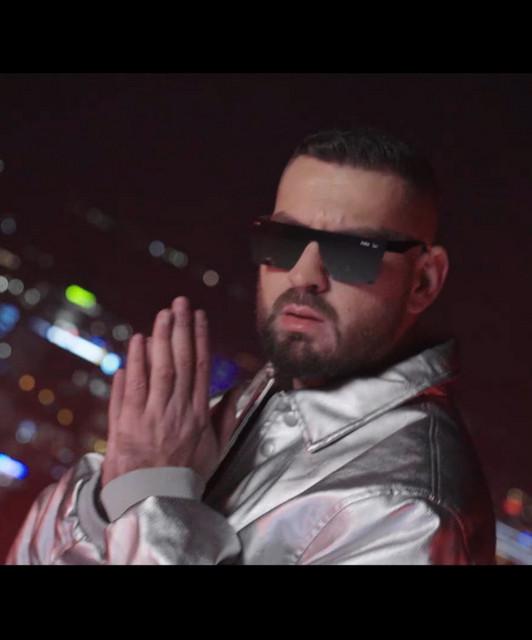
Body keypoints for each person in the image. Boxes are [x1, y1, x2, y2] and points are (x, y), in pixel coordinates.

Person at [6, 127, 495, 565]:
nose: (303, 275)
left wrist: (149, 497)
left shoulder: (412, 516)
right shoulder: (252, 404)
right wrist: (114, 497)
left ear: (423, 281)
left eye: (350, 252)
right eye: (285, 240)